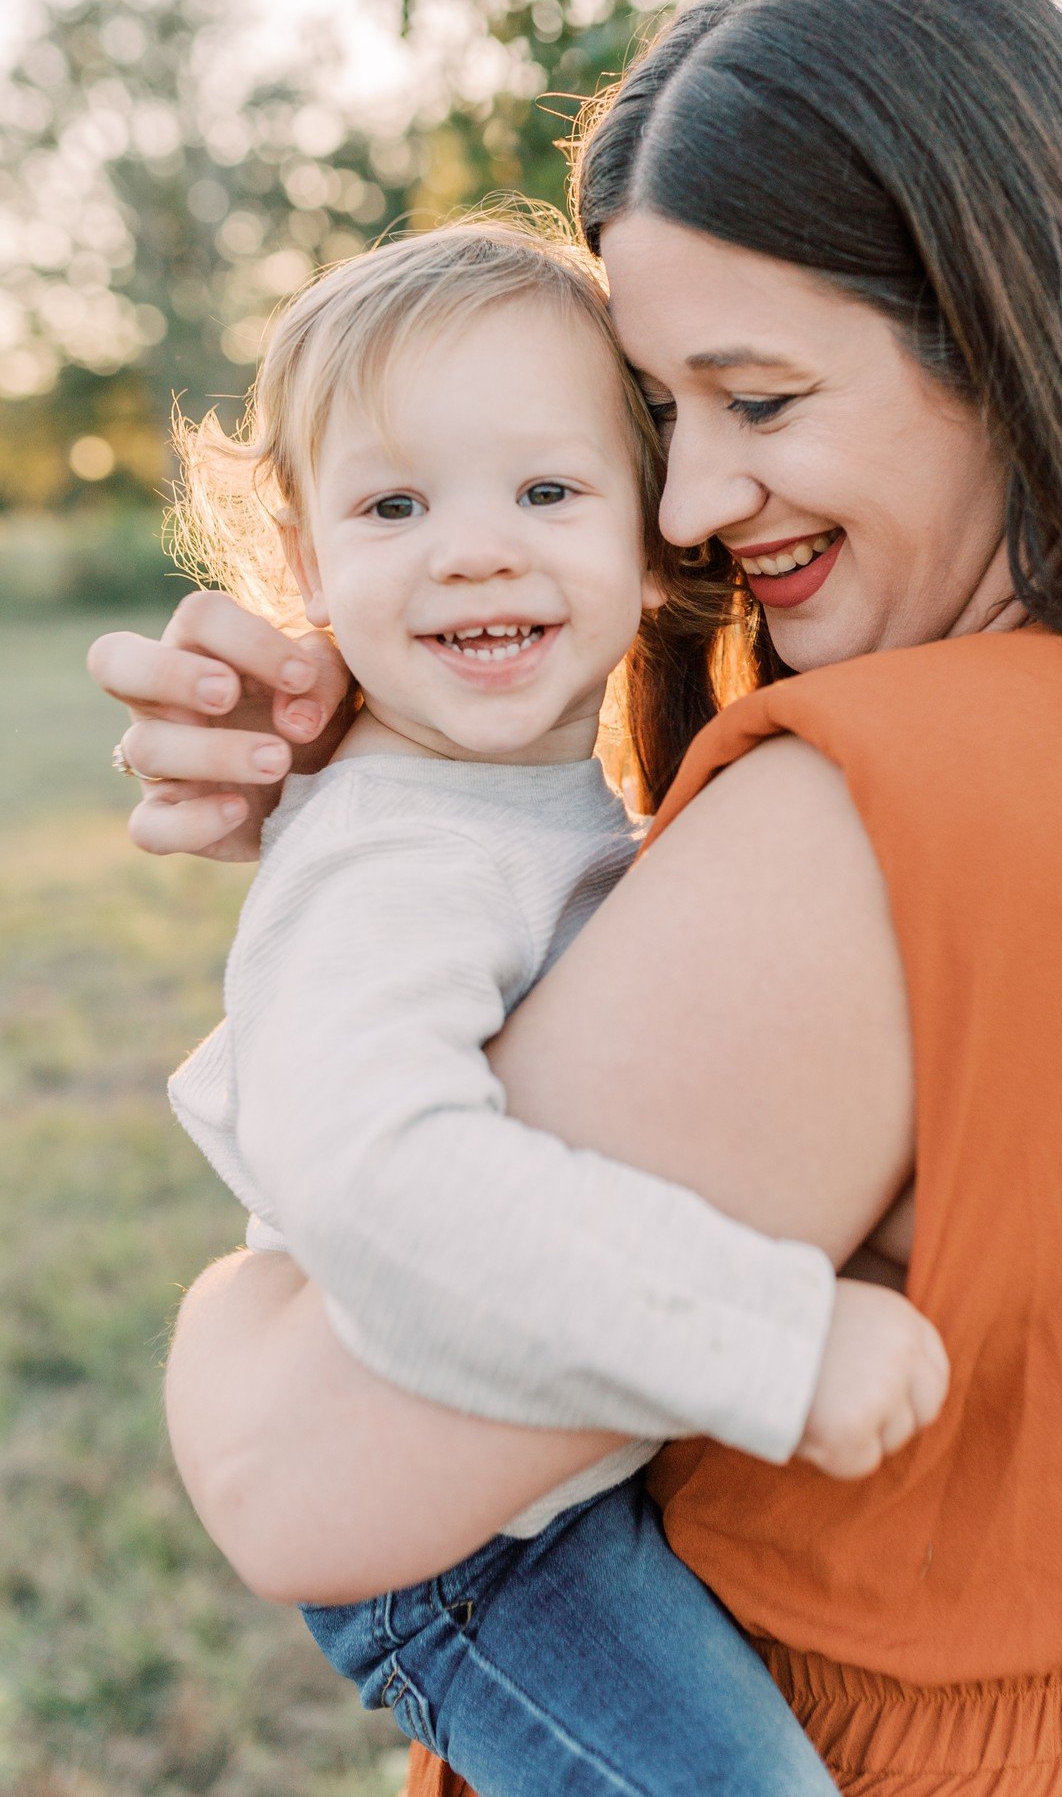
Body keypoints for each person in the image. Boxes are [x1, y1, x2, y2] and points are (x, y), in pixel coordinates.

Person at [91, 0, 1062, 1790]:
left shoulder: (861, 826)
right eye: (661, 412)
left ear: (1010, 334)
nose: (684, 501)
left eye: (761, 397)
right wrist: (399, 794)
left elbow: (303, 1484)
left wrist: (227, 1325)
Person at [160, 211, 952, 1795]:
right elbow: (392, 1190)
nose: (476, 546)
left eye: (545, 490)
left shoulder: (521, 795)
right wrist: (771, 1341)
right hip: (478, 1556)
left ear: (647, 526)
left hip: (541, 1469)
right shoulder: (390, 862)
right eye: (395, 502)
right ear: (305, 560)